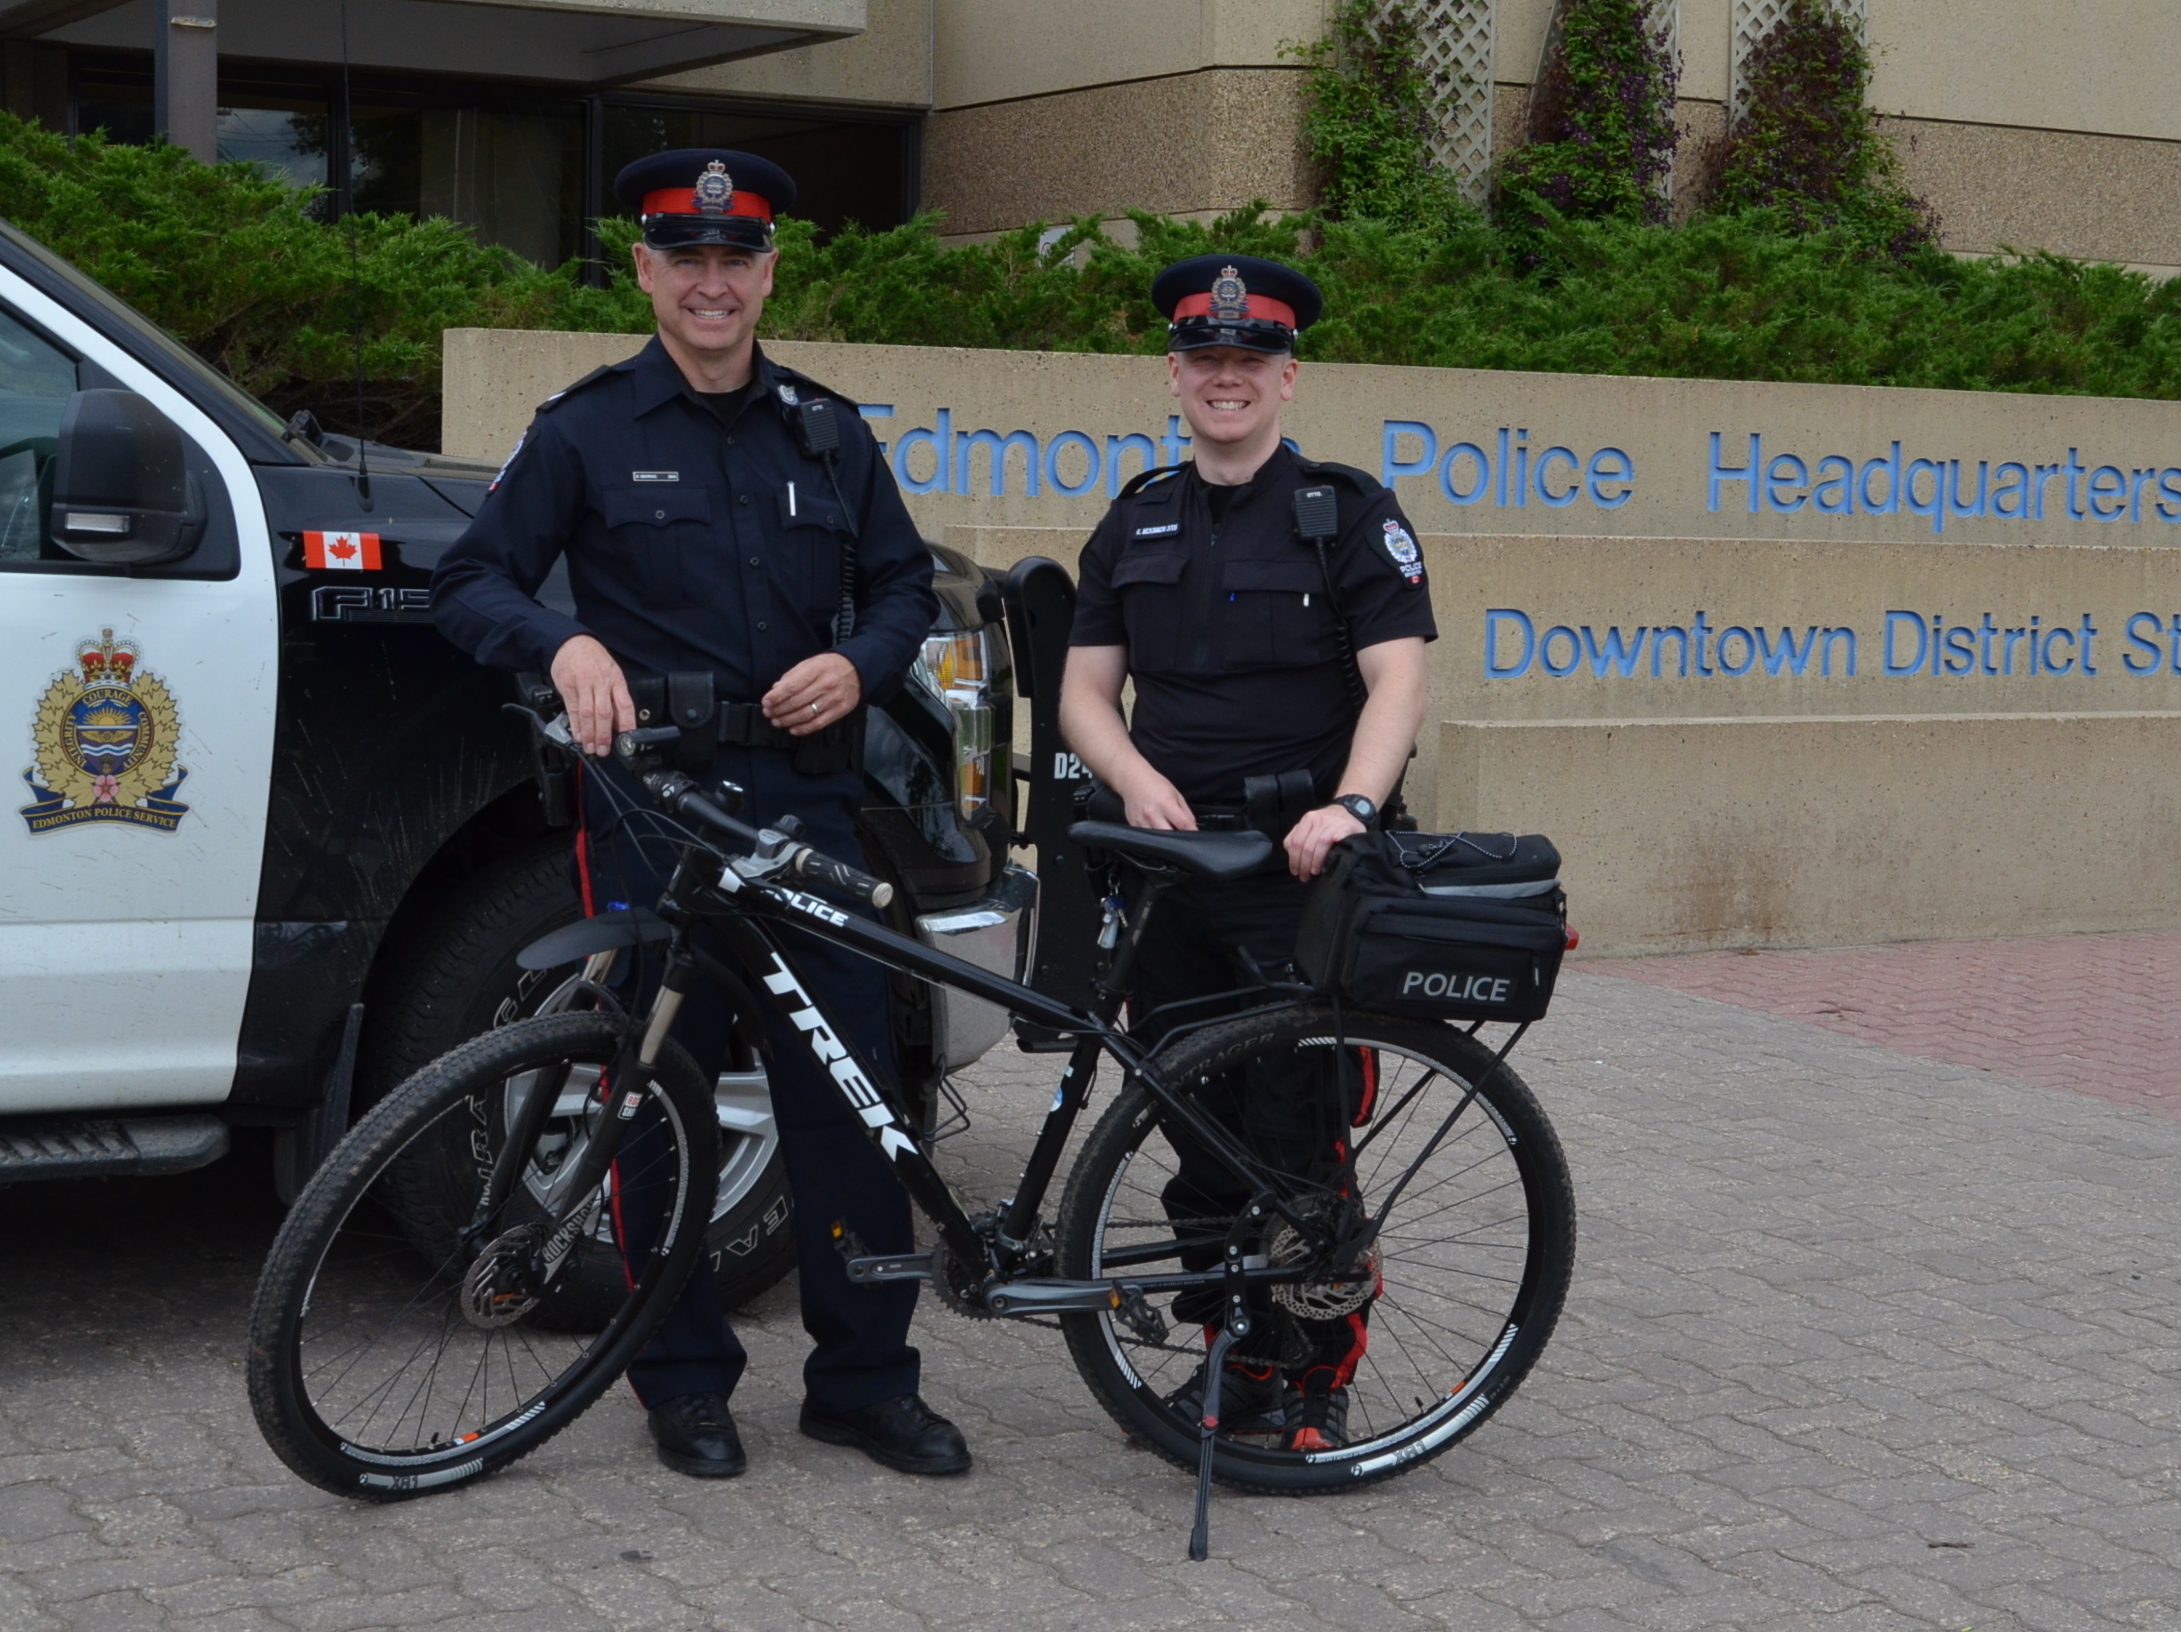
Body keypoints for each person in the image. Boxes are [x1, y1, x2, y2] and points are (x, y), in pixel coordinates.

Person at [429, 148, 970, 1483]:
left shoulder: (829, 433)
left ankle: (862, 1382)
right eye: (688, 259)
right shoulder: (586, 429)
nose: (713, 282)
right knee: (659, 1094)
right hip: (655, 810)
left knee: (847, 1096)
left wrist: (861, 660)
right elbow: (470, 581)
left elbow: (908, 585)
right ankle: (679, 1383)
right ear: (647, 272)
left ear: (768, 272)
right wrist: (561, 644)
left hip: (807, 810)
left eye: (737, 260)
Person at [1056, 254, 1438, 1453]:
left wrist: (1354, 809)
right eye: (1206, 361)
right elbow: (1081, 693)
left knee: (1293, 1125)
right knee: (1187, 1113)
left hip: (1299, 872)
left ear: (1287, 378)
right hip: (1170, 869)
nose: (1228, 379)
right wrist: (1133, 777)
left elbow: (1398, 680)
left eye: (1251, 362)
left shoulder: (1348, 511)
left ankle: (1311, 1373)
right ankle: (1232, 1351)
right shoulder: (1135, 515)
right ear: (1175, 375)